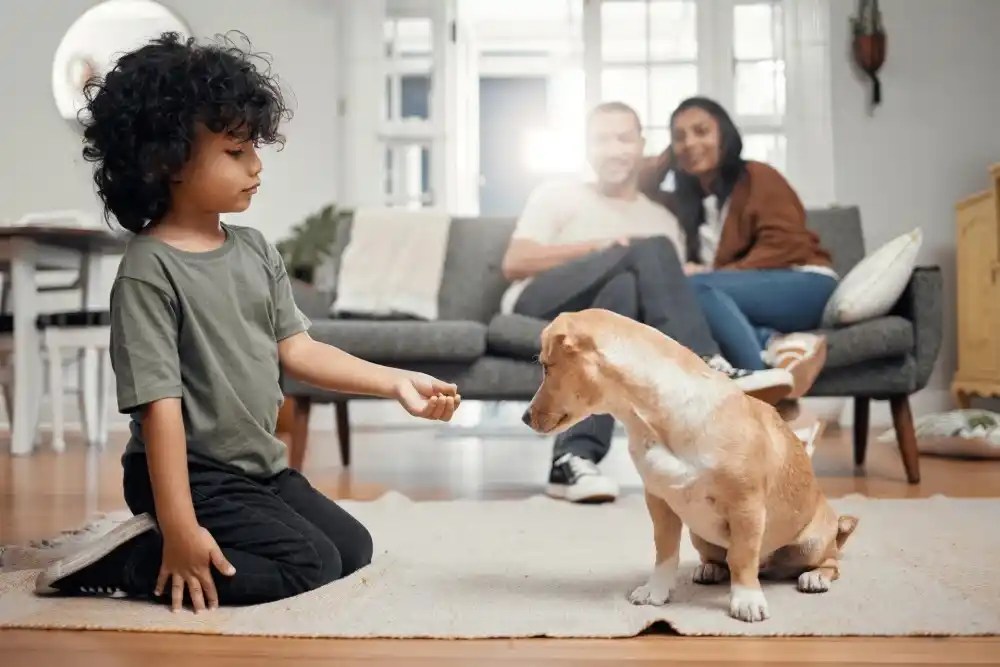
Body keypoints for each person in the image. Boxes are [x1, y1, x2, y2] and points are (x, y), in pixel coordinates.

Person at [33, 32, 461, 613]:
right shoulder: (148, 270)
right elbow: (160, 410)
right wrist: (181, 529)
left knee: (351, 549)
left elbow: (300, 350)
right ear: (168, 160)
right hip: (192, 472)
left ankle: (177, 541)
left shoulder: (256, 249)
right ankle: (138, 561)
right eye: (235, 153)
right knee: (308, 564)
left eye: (253, 147)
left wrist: (395, 381)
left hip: (257, 466)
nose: (256, 165)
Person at [500, 101, 795, 504]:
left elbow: (669, 295)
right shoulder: (557, 195)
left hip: (599, 327)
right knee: (646, 252)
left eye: (624, 138)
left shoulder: (662, 218)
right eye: (601, 140)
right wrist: (602, 248)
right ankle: (709, 363)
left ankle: (572, 458)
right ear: (587, 149)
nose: (614, 149)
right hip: (542, 306)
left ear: (642, 146)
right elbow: (515, 262)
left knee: (621, 293)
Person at [640, 97, 835, 430]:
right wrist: (668, 159)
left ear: (725, 135)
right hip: (739, 299)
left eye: (701, 131)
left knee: (692, 287)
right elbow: (643, 187)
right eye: (679, 137)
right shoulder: (687, 203)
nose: (690, 143)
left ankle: (767, 398)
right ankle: (774, 345)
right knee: (687, 298)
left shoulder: (758, 176)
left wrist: (714, 275)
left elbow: (787, 244)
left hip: (805, 283)